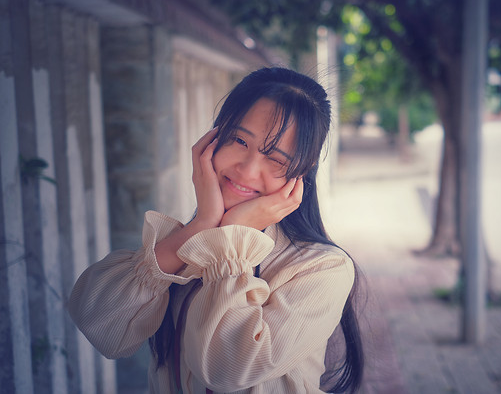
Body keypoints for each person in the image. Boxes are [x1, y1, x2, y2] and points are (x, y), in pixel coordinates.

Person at [68, 67, 364, 394]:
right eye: (239, 140)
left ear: (301, 174)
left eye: (277, 159)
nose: (248, 170)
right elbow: (99, 322)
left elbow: (227, 370)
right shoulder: (193, 244)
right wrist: (202, 225)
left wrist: (232, 239)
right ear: (214, 137)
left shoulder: (322, 268)